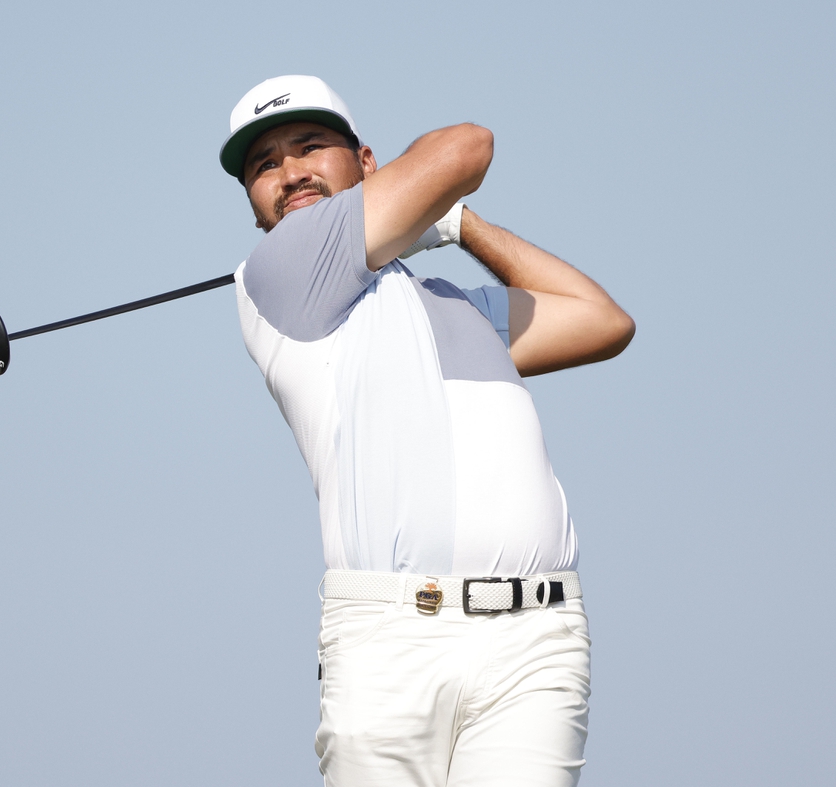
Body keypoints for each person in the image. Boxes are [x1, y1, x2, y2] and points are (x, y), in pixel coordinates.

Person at [219, 75, 634, 787]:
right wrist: (435, 206)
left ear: (369, 163)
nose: (289, 173)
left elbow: (602, 320)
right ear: (256, 210)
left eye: (310, 146)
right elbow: (466, 148)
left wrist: (462, 226)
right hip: (391, 644)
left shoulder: (454, 307)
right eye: (265, 166)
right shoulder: (281, 272)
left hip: (533, 643)